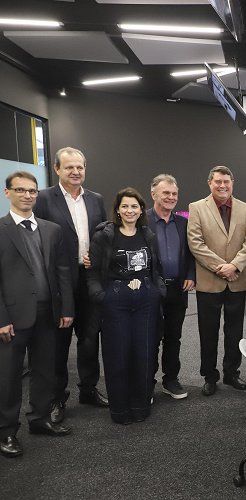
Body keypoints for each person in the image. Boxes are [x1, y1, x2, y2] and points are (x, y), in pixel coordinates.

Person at [0, 172, 74, 458]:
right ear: (8, 193)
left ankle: (40, 419)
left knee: (45, 371)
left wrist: (66, 308)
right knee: (8, 378)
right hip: (12, 318)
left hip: (48, 314)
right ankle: (7, 431)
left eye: (32, 191)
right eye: (20, 190)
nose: (28, 195)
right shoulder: (2, 229)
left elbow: (63, 272)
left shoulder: (51, 229)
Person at [34, 146, 108, 423]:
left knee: (90, 340)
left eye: (80, 167)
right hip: (59, 283)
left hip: (89, 279)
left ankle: (88, 389)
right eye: (69, 168)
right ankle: (57, 398)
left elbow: (101, 235)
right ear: (57, 169)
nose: (76, 172)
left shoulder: (96, 199)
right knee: (59, 342)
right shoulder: (43, 199)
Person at [86, 188, 165, 425]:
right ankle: (120, 411)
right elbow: (92, 272)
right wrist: (102, 296)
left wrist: (158, 291)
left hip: (146, 303)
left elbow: (157, 269)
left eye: (134, 206)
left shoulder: (148, 235)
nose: (130, 211)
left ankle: (141, 407)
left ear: (141, 210)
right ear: (118, 210)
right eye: (125, 206)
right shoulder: (105, 235)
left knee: (144, 354)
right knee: (117, 356)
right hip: (115, 302)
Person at [187, 166, 246, 396]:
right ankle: (209, 375)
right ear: (210, 183)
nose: (222, 185)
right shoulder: (196, 208)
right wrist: (222, 268)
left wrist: (234, 266)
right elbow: (196, 243)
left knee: (235, 331)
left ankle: (231, 372)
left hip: (237, 280)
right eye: (218, 181)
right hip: (210, 281)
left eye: (226, 181)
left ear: (232, 183)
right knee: (208, 331)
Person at [146, 174, 195, 400]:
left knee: (173, 337)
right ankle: (147, 382)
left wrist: (190, 275)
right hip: (151, 290)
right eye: (166, 193)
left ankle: (171, 379)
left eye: (174, 194)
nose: (171, 197)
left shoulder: (184, 222)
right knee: (151, 337)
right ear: (153, 194)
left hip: (177, 289)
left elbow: (191, 253)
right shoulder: (142, 221)